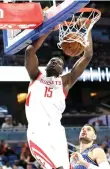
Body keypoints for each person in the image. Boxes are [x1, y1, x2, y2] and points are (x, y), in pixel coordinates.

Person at [25, 21, 93, 169]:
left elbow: (87, 56)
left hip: (57, 131)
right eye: (53, 61)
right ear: (46, 66)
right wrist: (50, 28)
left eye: (60, 63)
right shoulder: (36, 76)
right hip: (38, 131)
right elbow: (30, 51)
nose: (57, 62)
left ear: (62, 71)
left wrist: (87, 30)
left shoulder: (65, 82)